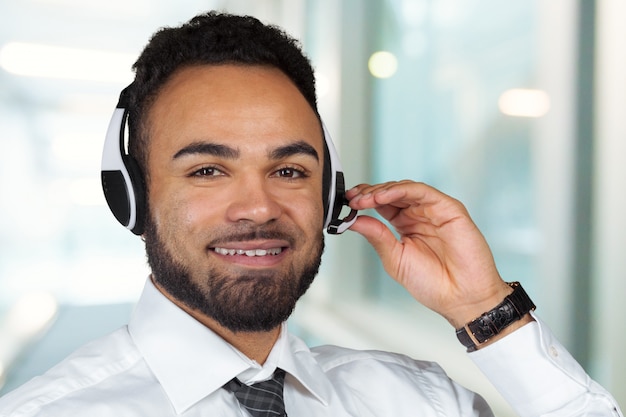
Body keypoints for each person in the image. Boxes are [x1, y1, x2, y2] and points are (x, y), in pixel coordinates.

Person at [0, 11, 622, 417]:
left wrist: (486, 310)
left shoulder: (425, 401)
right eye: (208, 170)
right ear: (129, 194)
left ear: (330, 197)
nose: (259, 207)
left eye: (291, 170)